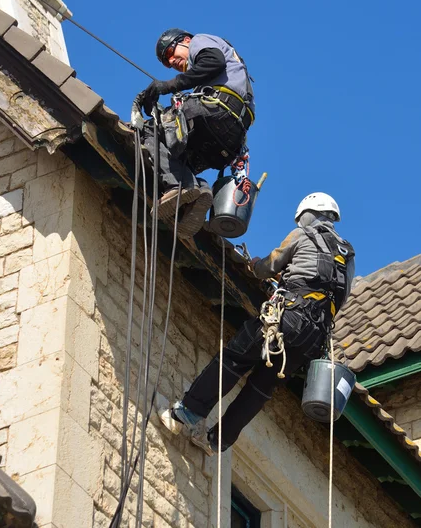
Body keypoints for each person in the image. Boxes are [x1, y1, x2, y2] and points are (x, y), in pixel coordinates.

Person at [157, 192, 355, 453]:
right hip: (312, 339)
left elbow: (269, 266)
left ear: (308, 214)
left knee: (234, 359)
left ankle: (186, 414)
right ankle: (217, 441)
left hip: (286, 317)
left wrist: (255, 265)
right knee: (260, 389)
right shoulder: (347, 255)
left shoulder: (303, 235)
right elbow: (340, 298)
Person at [138, 29, 255, 238]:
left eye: (172, 53)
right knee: (181, 160)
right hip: (230, 136)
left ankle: (177, 187)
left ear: (185, 40)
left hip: (216, 111)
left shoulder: (200, 41)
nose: (172, 61)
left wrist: (167, 86)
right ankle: (200, 192)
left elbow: (213, 62)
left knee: (150, 129)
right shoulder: (229, 72)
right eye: (167, 62)